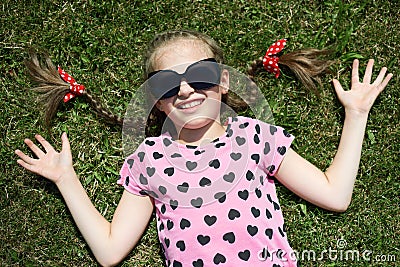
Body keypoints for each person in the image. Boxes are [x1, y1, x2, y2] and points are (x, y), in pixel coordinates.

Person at [15, 30, 392, 267]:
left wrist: (356, 115)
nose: (184, 90)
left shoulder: (253, 136)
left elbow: (335, 194)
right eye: (167, 83)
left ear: (224, 81)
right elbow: (111, 251)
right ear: (156, 100)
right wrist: (66, 179)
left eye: (200, 75)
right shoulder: (149, 161)